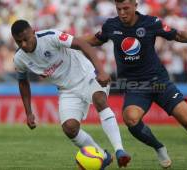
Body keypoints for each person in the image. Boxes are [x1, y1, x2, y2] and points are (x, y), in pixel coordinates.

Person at [82, 0, 187, 170]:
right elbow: (94, 40)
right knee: (131, 119)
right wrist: (69, 42)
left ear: (135, 6)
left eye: (126, 8)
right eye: (119, 9)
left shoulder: (151, 23)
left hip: (159, 82)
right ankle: (158, 147)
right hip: (136, 86)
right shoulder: (111, 25)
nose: (122, 13)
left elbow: (177, 35)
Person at [11, 19, 131, 169]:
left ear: (33, 33)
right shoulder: (19, 58)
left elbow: (83, 44)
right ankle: (103, 156)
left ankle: (120, 150)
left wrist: (101, 71)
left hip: (87, 75)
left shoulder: (50, 36)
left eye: (25, 39)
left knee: (99, 99)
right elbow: (23, 82)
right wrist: (28, 112)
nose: (23, 44)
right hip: (67, 89)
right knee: (70, 128)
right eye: (18, 42)